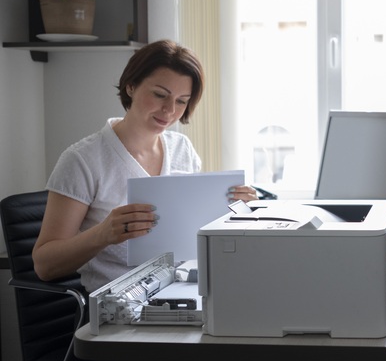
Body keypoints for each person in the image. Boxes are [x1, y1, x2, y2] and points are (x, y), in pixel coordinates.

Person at [33, 40, 257, 293]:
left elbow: (193, 234)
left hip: (183, 291)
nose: (169, 110)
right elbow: (44, 265)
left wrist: (236, 211)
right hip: (119, 304)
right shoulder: (83, 160)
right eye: (160, 95)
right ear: (131, 86)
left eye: (182, 101)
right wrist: (103, 234)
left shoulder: (182, 148)